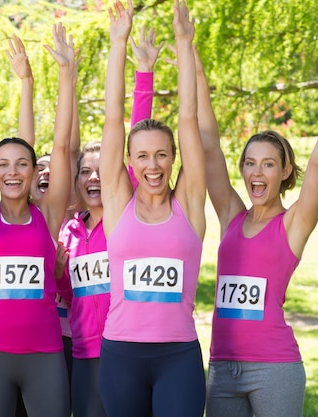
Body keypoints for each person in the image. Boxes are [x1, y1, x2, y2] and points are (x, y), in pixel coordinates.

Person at [0, 20, 74, 417]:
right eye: (3, 165)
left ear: (32, 171)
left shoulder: (49, 215)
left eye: (22, 164)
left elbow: (59, 146)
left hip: (44, 357)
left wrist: (64, 72)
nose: (13, 171)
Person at [97, 1, 207, 417]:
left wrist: (183, 43)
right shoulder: (118, 202)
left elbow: (188, 117)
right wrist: (118, 42)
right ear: (130, 161)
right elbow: (112, 120)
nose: (153, 165)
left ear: (174, 159)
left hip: (178, 356)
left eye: (162, 155)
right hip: (121, 354)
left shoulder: (189, 204)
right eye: (142, 157)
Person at [195, 47, 318, 417]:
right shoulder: (232, 214)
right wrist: (197, 68)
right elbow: (209, 146)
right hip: (221, 367)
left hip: (274, 367)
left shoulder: (293, 223)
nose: (256, 173)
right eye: (250, 163)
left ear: (284, 171)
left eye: (267, 164)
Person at [55, 25, 162, 417]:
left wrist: (144, 72)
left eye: (102, 170)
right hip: (84, 353)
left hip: (129, 348)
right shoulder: (69, 231)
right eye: (86, 172)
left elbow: (135, 130)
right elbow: (69, 294)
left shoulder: (127, 214)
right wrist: (57, 271)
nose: (93, 178)